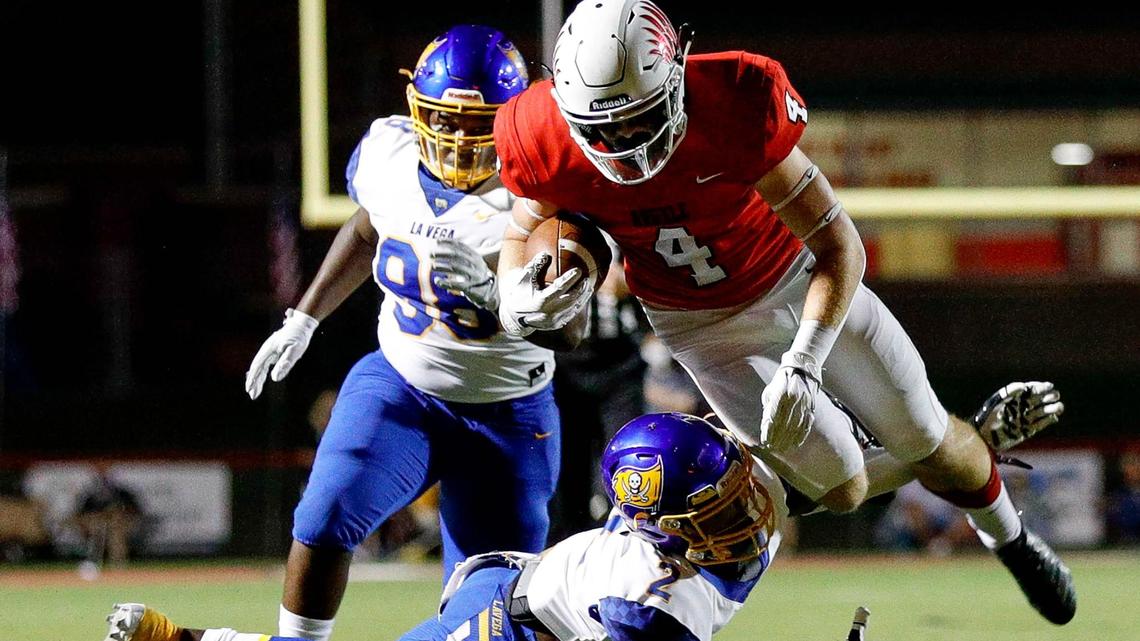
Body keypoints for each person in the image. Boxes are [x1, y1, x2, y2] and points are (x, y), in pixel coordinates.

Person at [490, 0, 1074, 624]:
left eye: (642, 119)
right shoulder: (537, 132)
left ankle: (1011, 539)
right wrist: (513, 298)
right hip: (697, 325)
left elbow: (838, 244)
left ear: (677, 78)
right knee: (844, 488)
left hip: (796, 283)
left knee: (928, 437)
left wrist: (805, 360)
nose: (628, 144)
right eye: (606, 130)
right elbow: (522, 231)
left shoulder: (738, 98)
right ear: (568, 112)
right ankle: (976, 437)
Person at [100, 386, 1057, 641]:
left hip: (536, 589)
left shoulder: (707, 515)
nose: (752, 503)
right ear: (674, 528)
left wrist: (965, 436)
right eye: (724, 499)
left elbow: (860, 474)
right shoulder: (654, 591)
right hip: (510, 625)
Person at [243, 26, 567, 641]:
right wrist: (305, 317)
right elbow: (367, 228)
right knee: (323, 514)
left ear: (514, 120)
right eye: (446, 119)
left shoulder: (543, 190)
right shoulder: (388, 153)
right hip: (400, 386)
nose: (459, 138)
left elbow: (572, 331)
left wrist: (498, 293)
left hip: (507, 414)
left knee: (489, 609)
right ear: (417, 108)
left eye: (479, 124)